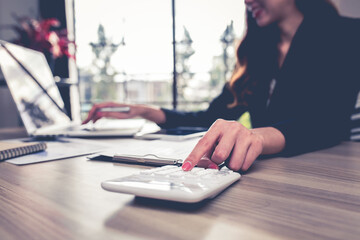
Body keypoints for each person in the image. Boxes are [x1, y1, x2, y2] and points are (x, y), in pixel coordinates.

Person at [83, 0, 360, 172]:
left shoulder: (346, 34)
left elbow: (329, 123)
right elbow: (209, 117)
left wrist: (258, 137)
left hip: (326, 174)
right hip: (270, 177)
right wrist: (147, 111)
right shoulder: (259, 54)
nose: (247, 0)